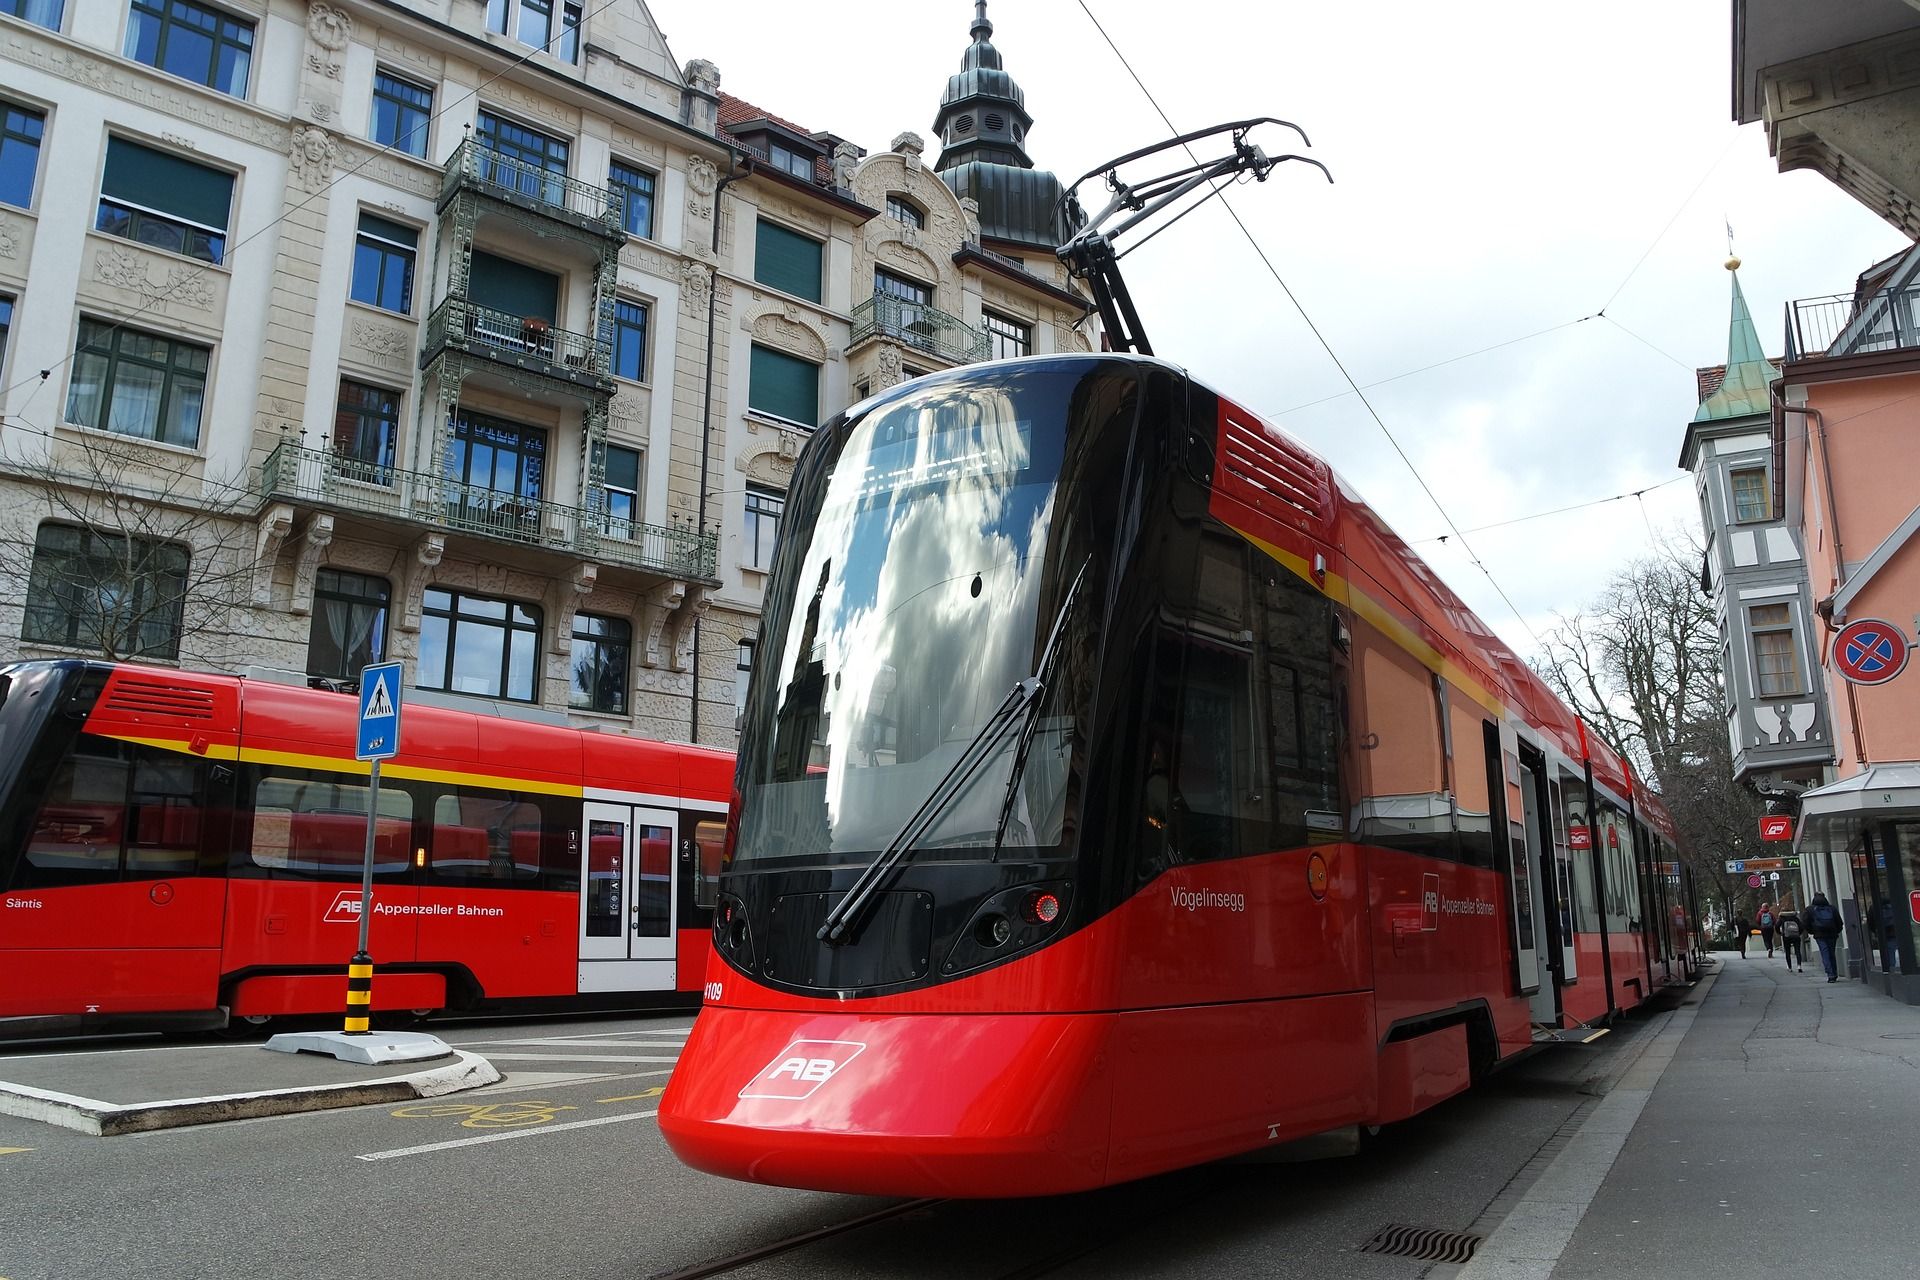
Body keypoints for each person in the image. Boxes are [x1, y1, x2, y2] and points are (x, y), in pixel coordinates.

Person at [1806, 892, 1843, 982]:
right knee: (1831, 953)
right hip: (1832, 934)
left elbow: (1806, 923)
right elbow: (1839, 922)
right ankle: (1834, 973)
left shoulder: (1810, 909)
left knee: (1824, 953)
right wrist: (1836, 931)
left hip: (1819, 935)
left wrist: (1813, 931)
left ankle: (1830, 974)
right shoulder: (1832, 909)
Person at [1777, 905, 1805, 972]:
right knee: (1797, 951)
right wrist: (1798, 933)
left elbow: (1776, 926)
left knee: (1788, 952)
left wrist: (1780, 933)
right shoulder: (1795, 917)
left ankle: (1789, 967)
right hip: (1796, 936)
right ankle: (1799, 966)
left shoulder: (1782, 918)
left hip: (1786, 936)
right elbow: (1801, 927)